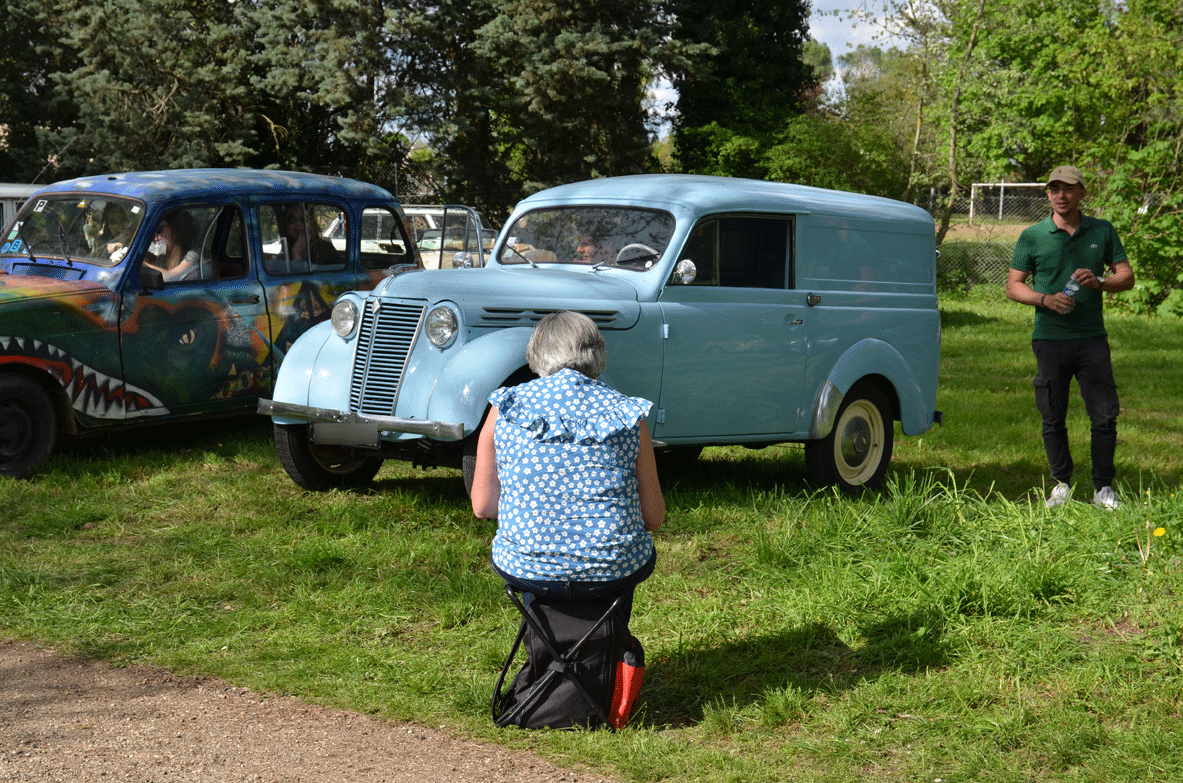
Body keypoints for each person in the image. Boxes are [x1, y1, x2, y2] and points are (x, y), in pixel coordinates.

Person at [470, 311, 665, 624]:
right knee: (623, 573)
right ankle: (610, 665)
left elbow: (483, 506)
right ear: (597, 353)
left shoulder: (507, 407)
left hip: (529, 570)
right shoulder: (627, 413)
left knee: (542, 587)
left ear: (536, 354)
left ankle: (548, 664)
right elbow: (653, 517)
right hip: (611, 571)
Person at [1005, 165, 1135, 510]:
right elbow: (1013, 285)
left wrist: (1101, 282)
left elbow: (1126, 277)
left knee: (1104, 415)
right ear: (1047, 194)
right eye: (1054, 189)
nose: (1061, 195)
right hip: (1049, 339)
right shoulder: (1033, 236)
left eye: (1068, 189)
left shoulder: (1102, 231)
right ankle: (1061, 484)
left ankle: (1103, 488)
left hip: (1092, 338)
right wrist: (1044, 299)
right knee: (1052, 414)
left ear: (1082, 194)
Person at [142, 209, 200, 282]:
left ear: (175, 229)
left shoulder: (194, 255)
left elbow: (170, 278)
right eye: (153, 230)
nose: (154, 236)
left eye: (159, 230)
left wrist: (140, 264)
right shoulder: (160, 251)